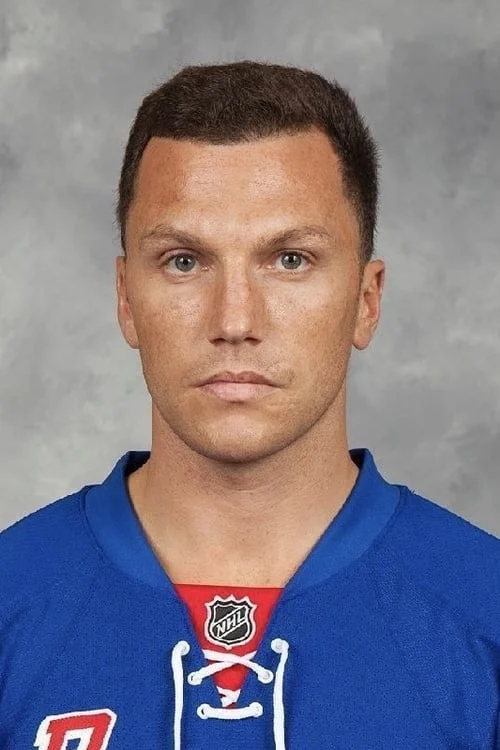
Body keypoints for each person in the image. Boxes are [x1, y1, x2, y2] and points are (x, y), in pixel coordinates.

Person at [0, 60, 499, 750]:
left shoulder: (483, 611)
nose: (234, 320)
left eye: (290, 259)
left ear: (366, 300)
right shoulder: (12, 599)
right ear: (126, 299)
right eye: (183, 261)